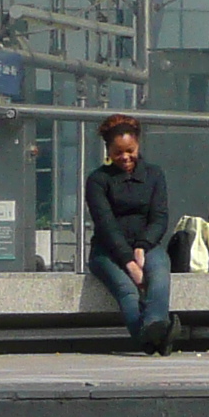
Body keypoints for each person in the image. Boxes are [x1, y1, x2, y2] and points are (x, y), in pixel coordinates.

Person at [82, 114, 176, 354]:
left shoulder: (154, 175)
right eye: (118, 153)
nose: (125, 157)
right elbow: (106, 225)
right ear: (108, 151)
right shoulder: (98, 180)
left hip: (147, 245)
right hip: (108, 251)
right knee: (127, 289)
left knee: (160, 274)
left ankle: (154, 327)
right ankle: (156, 339)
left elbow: (159, 217)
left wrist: (143, 246)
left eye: (130, 151)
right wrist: (128, 261)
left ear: (138, 145)